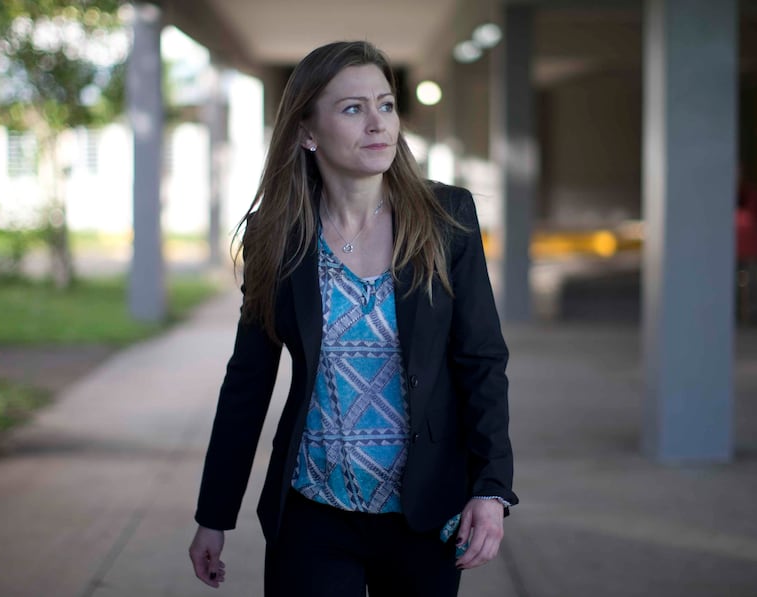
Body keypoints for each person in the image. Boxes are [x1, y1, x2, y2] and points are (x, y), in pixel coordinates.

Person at [188, 40, 518, 597]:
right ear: (307, 132)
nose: (377, 124)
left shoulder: (446, 218)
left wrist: (491, 489)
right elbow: (248, 378)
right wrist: (214, 514)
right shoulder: (278, 235)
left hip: (424, 510)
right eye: (352, 109)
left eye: (385, 105)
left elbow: (481, 360)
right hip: (313, 508)